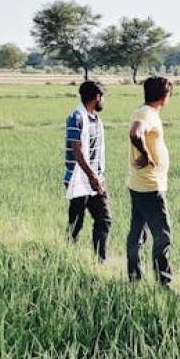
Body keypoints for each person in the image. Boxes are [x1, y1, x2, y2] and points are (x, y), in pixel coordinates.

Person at [126, 76, 173, 286]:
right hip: (150, 186)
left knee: (137, 232)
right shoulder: (147, 114)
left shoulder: (143, 111)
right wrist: (146, 155)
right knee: (163, 236)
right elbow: (136, 133)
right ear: (164, 96)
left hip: (140, 183)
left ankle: (134, 277)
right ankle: (164, 282)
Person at [65, 80, 110, 260]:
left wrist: (98, 177)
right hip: (78, 179)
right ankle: (68, 257)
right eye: (102, 97)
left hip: (95, 179)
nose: (103, 101)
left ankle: (100, 261)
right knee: (76, 222)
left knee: (104, 219)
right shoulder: (76, 117)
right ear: (97, 97)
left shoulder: (96, 120)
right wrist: (92, 176)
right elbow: (77, 150)